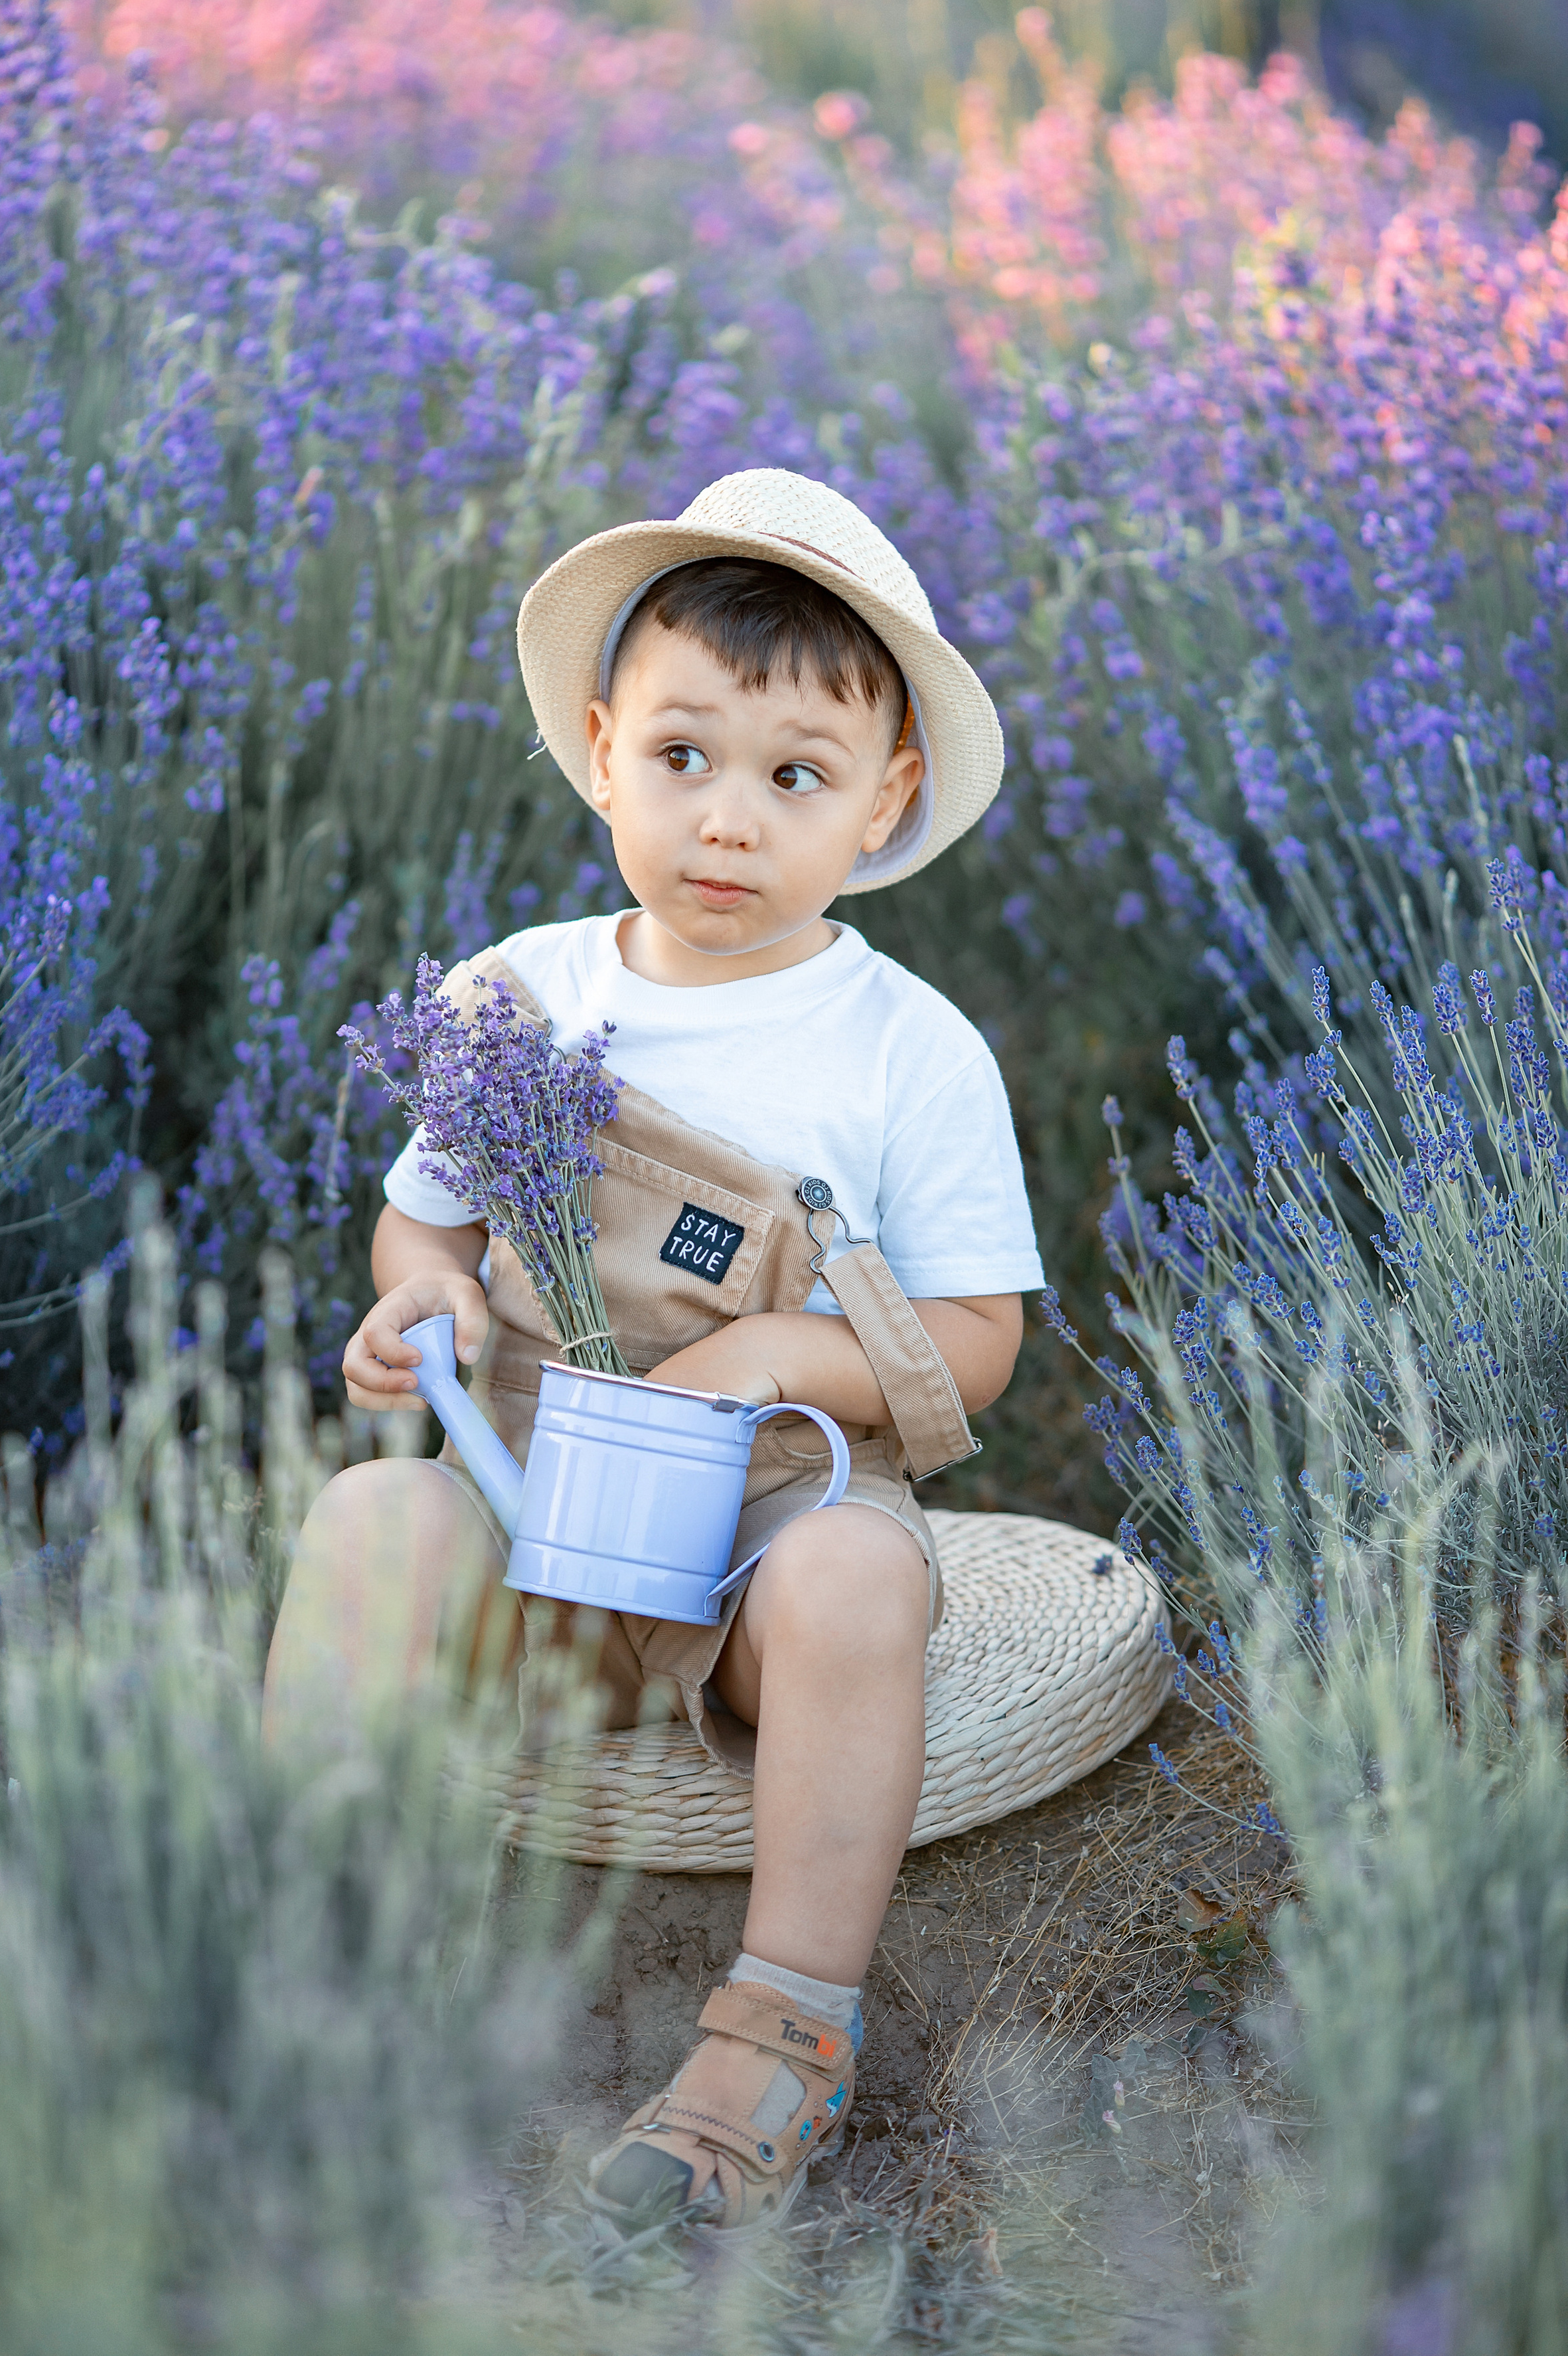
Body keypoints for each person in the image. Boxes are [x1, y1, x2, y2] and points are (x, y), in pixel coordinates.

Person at [262, 469, 1044, 2232]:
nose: (728, 820)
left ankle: (772, 2042)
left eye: (796, 777)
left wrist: (781, 1344)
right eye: (684, 756)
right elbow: (427, 1219)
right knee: (366, 1528)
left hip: (761, 1526)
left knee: (858, 1581)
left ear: (886, 801)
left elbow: (979, 1346)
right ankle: (324, 1989)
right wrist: (427, 1301)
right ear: (603, 747)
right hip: (530, 1495)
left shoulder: (906, 1048)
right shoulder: (523, 991)